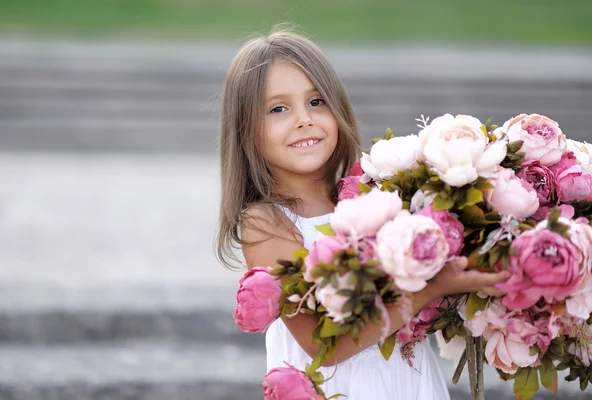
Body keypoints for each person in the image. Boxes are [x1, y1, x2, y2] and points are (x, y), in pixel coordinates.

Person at [216, 29, 509, 399]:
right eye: (278, 109)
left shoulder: (375, 194)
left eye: (317, 101)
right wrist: (435, 287)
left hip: (408, 381)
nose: (304, 119)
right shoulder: (267, 224)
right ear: (247, 131)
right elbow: (326, 346)